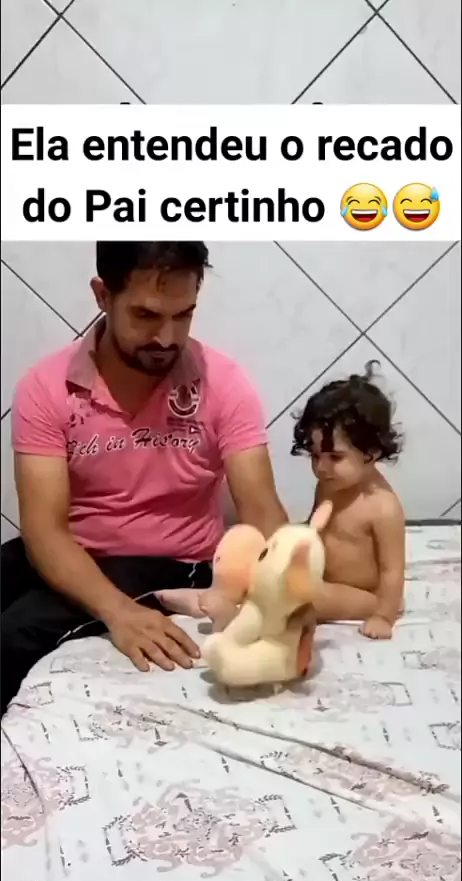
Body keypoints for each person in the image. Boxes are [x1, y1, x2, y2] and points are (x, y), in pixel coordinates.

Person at [1, 241, 287, 712]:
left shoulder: (224, 383)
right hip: (73, 552)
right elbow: (44, 532)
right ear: (102, 295)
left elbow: (261, 509)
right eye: (146, 316)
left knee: (13, 635)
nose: (167, 338)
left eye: (183, 315)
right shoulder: (46, 387)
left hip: (173, 561)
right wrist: (119, 611)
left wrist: (288, 590)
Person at [291, 361, 405, 639]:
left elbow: (392, 570)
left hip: (366, 596)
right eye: (315, 455)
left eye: (335, 457)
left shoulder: (382, 506)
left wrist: (384, 615)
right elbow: (315, 529)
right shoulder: (329, 485)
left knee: (308, 598)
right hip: (326, 580)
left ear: (371, 453)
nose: (321, 467)